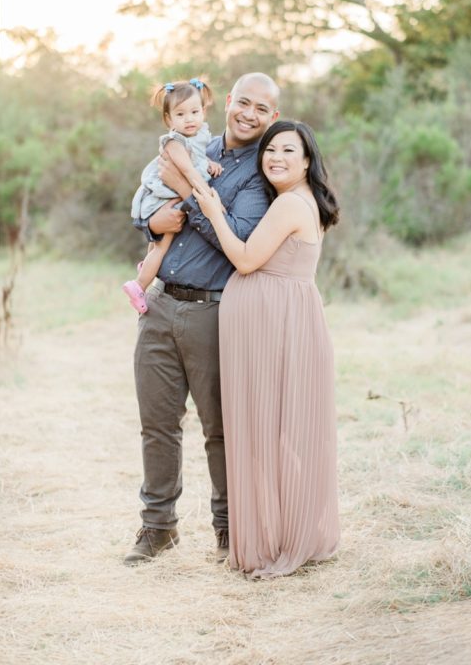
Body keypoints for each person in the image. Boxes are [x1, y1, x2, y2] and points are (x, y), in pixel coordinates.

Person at [124, 73, 280, 566]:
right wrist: (152, 222)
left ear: (272, 117)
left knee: (220, 428)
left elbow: (236, 238)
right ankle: (157, 528)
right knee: (157, 425)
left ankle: (228, 530)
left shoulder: (260, 175)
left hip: (214, 311)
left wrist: (188, 198)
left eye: (262, 108)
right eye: (244, 103)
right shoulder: (191, 143)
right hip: (160, 304)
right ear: (228, 102)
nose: (249, 114)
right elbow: (147, 202)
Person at [191, 120, 340, 578]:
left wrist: (213, 209)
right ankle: (283, 530)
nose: (274, 157)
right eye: (269, 149)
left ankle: (273, 540)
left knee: (263, 430)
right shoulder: (302, 202)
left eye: (287, 150)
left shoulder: (290, 204)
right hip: (282, 318)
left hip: (271, 324)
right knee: (282, 430)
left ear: (307, 160)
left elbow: (247, 259)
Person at [122, 78, 222, 314]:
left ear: (203, 112)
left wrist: (209, 164)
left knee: (156, 246)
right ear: (168, 119)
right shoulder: (173, 141)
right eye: (180, 114)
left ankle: (145, 268)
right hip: (163, 195)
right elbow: (187, 169)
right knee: (162, 246)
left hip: (171, 193)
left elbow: (195, 160)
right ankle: (139, 285)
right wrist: (206, 194)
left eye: (194, 112)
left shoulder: (196, 138)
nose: (189, 119)